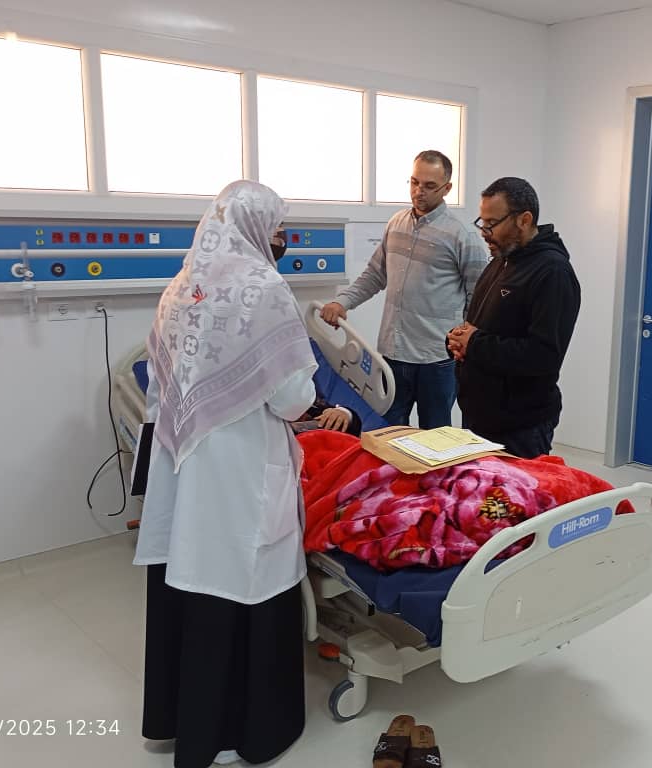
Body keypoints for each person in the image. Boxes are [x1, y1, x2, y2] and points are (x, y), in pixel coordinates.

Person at [133, 181, 316, 768]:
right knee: (243, 581)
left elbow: (159, 380)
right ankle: (244, 733)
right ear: (257, 227)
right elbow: (292, 397)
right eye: (278, 228)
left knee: (189, 583)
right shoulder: (266, 287)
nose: (281, 239)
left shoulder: (181, 285)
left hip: (183, 465)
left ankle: (185, 724)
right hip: (240, 468)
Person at [320, 150, 488, 428]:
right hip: (392, 355)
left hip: (436, 360)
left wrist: (465, 344)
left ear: (447, 188)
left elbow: (479, 297)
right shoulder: (396, 224)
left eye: (430, 185)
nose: (419, 191)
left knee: (435, 437)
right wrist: (342, 302)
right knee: (387, 432)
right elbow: (375, 274)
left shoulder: (462, 235)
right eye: (414, 182)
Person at [447, 177, 581, 459]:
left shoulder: (553, 272)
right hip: (480, 417)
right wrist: (459, 341)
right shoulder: (500, 260)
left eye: (492, 223)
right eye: (482, 222)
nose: (484, 232)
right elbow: (484, 327)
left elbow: (544, 356)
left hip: (519, 428)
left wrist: (475, 344)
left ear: (524, 220)